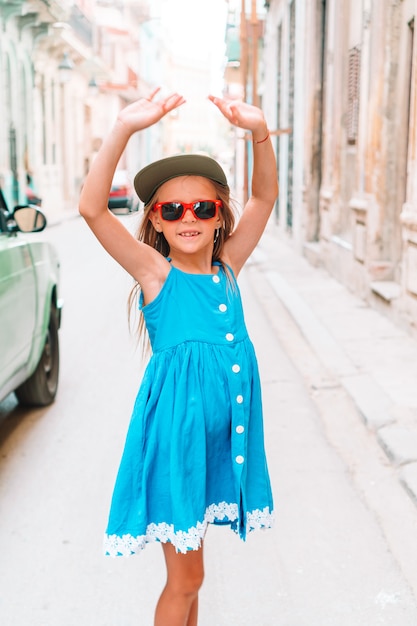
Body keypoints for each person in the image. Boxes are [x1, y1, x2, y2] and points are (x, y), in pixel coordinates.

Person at [79, 88, 278, 626]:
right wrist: (122, 126)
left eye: (203, 207)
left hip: (217, 442)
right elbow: (91, 209)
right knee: (186, 578)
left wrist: (259, 132)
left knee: (195, 577)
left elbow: (263, 200)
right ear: (158, 222)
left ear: (219, 218)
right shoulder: (155, 274)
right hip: (177, 443)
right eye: (172, 209)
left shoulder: (228, 269)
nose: (188, 217)